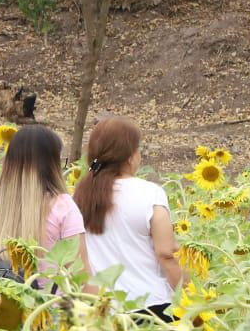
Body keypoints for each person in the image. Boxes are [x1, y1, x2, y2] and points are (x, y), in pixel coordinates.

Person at [72, 116, 185, 320]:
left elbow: (81, 261)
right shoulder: (150, 193)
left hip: (105, 312)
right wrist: (190, 297)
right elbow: (166, 254)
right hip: (152, 307)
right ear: (130, 156)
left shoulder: (80, 197)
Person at [0, 124, 91, 287]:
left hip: (5, 307)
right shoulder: (63, 207)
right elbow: (80, 276)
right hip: (49, 310)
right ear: (51, 164)